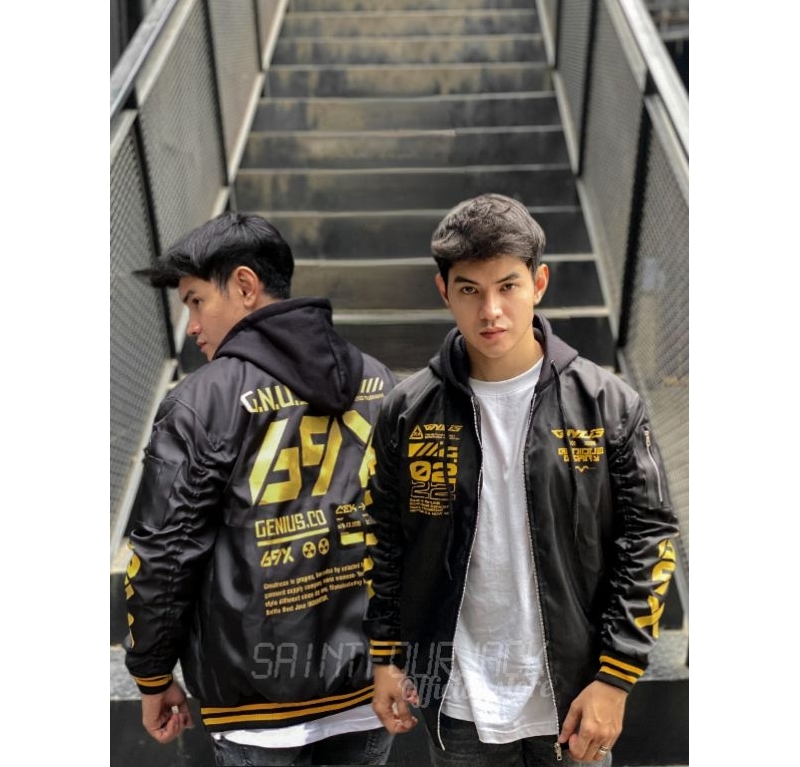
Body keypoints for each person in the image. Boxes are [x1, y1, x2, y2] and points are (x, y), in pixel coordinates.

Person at [363, 194, 681, 766]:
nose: (491, 311)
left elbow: (648, 540)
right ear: (444, 292)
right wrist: (386, 656)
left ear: (539, 283)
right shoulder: (407, 411)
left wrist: (615, 676)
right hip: (458, 703)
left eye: (507, 286)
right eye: (469, 290)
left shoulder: (607, 403)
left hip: (575, 698)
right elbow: (383, 540)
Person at [123, 212, 398, 766]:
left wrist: (152, 673)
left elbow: (164, 555)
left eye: (197, 301)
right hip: (368, 693)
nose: (192, 326)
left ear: (245, 286)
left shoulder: (201, 402)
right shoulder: (379, 381)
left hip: (257, 707)